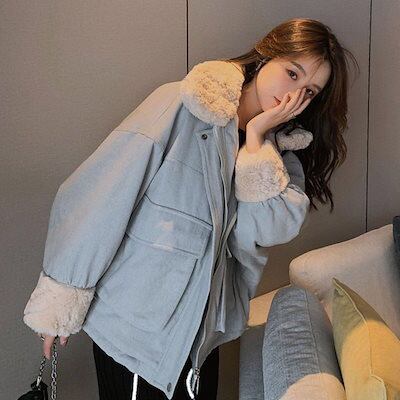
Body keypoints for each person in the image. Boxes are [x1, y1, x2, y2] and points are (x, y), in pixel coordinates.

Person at [22, 17, 358, 400]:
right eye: (292, 73)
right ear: (267, 55)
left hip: (202, 335)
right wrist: (61, 297)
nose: (294, 95)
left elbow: (268, 229)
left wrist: (257, 141)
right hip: (140, 331)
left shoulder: (278, 160)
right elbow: (101, 194)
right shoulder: (183, 106)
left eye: (309, 91)